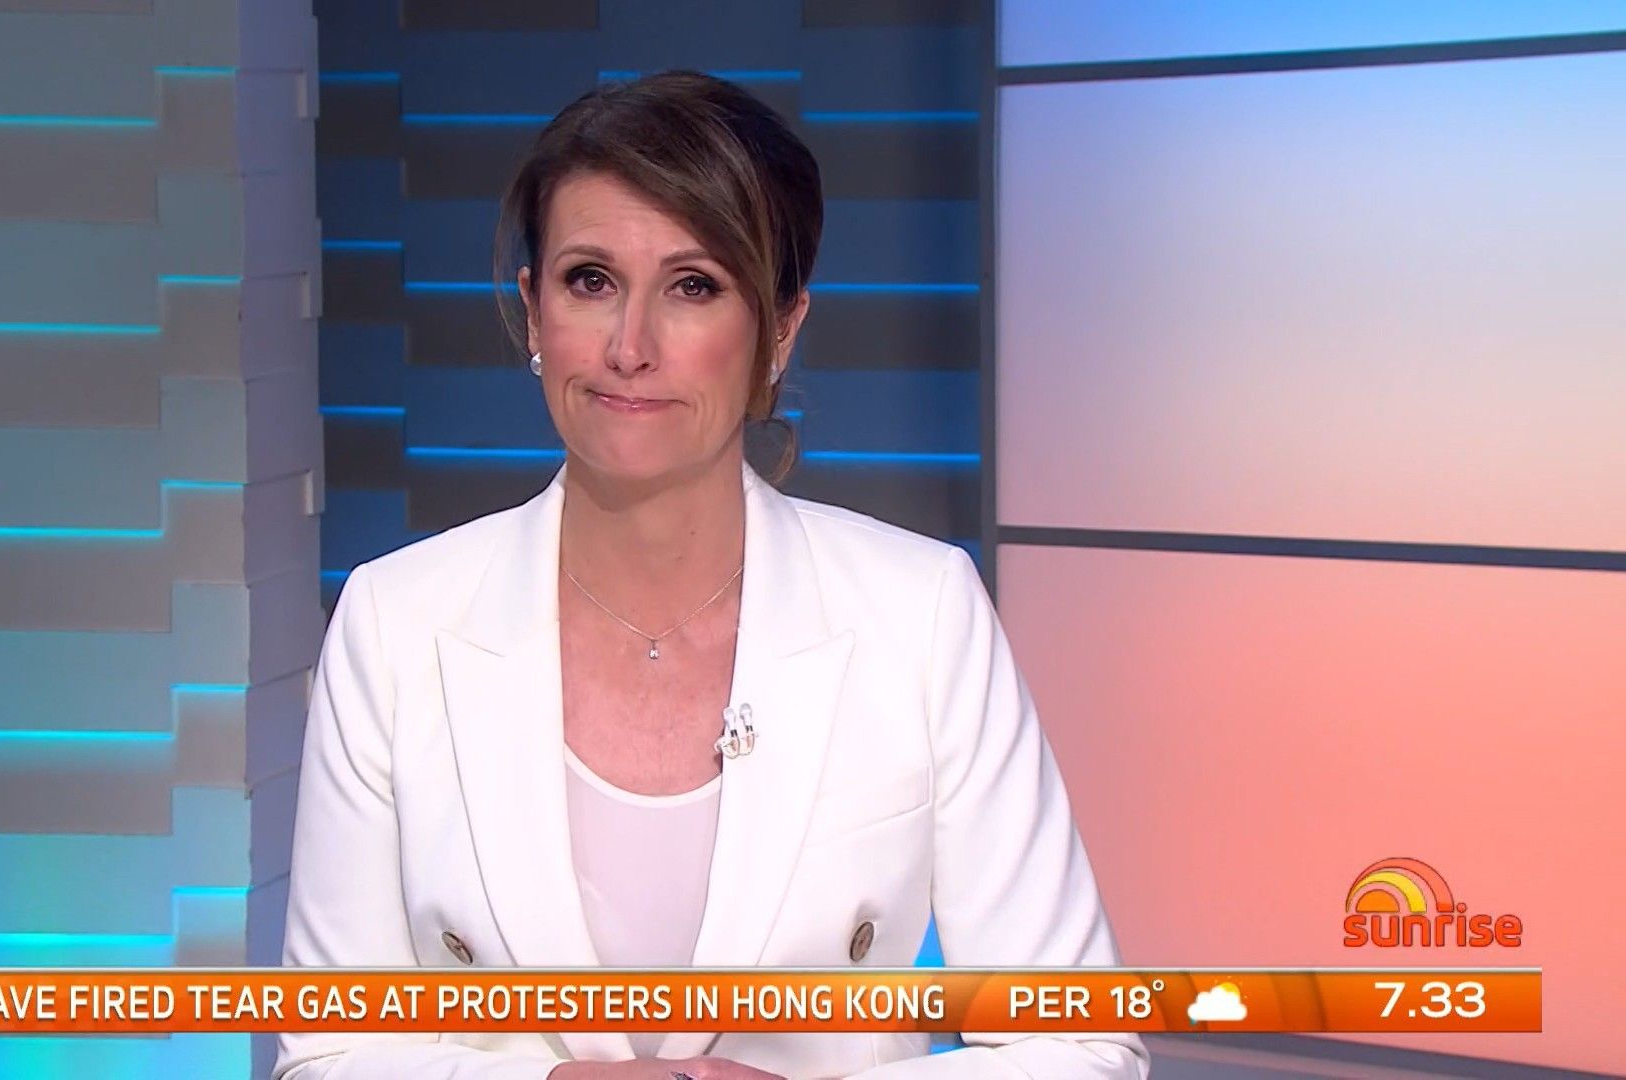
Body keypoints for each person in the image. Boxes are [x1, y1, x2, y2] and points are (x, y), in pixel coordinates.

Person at [275, 70, 1147, 1080]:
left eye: (693, 286)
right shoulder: (395, 624)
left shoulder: (921, 614)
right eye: (590, 281)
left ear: (780, 330)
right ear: (532, 312)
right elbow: (329, 1053)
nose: (630, 347)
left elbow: (1081, 1043)